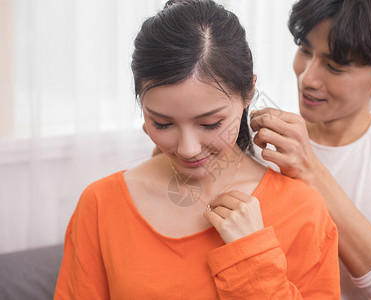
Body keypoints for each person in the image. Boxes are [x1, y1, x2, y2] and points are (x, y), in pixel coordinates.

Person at [54, 0, 340, 299]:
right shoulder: (101, 204)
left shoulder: (302, 210)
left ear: (248, 93)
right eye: (162, 123)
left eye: (210, 123)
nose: (188, 149)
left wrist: (253, 257)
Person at [250, 0, 371, 299]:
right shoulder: (264, 137)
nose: (307, 78)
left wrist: (311, 171)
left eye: (335, 66)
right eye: (304, 50)